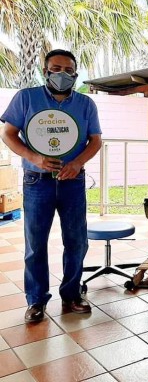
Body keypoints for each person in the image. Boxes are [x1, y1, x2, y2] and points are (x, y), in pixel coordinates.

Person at [0, 49, 102, 323]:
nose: (62, 74)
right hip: (37, 182)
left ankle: (71, 295)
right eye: (56, 68)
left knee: (76, 242)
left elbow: (95, 141)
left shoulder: (85, 104)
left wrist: (77, 163)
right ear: (45, 71)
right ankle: (36, 300)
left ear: (75, 74)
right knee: (35, 244)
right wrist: (34, 158)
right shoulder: (26, 98)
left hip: (73, 181)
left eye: (68, 70)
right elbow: (8, 134)